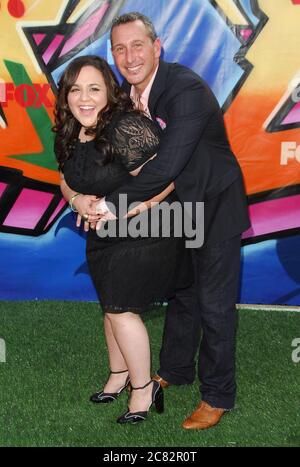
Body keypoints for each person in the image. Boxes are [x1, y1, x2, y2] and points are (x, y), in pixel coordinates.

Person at [95, 12, 251, 430]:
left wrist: (109, 206)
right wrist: (80, 190)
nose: (129, 56)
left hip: (214, 204)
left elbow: (165, 166)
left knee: (215, 305)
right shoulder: (128, 97)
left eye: (137, 45)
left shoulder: (184, 88)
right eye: (120, 48)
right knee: (183, 294)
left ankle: (218, 396)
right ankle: (175, 370)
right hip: (179, 207)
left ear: (157, 46)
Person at [53, 55, 190, 424]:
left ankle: (143, 390)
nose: (84, 97)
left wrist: (124, 210)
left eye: (94, 88)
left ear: (109, 92)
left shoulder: (124, 126)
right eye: (75, 89)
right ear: (65, 96)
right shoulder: (72, 129)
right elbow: (65, 178)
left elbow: (165, 179)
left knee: (121, 309)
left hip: (150, 226)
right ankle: (118, 375)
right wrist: (77, 199)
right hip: (104, 231)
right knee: (111, 304)